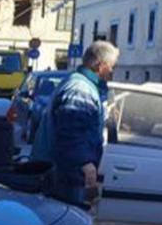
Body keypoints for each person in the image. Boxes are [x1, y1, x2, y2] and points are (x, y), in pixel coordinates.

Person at [32, 41, 118, 208]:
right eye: (112, 66)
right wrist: (85, 163)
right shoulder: (81, 89)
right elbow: (70, 132)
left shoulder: (81, 84)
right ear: (101, 66)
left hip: (63, 173)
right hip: (64, 176)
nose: (113, 71)